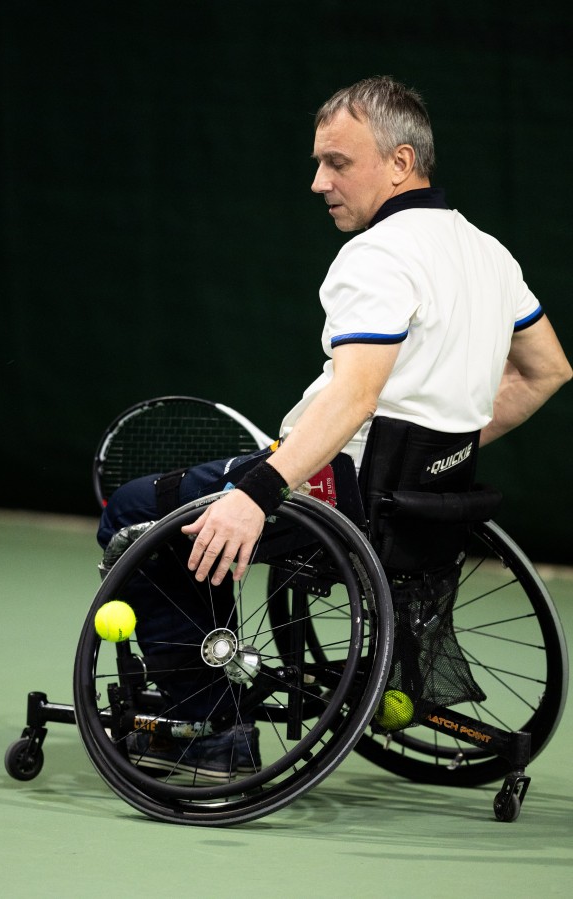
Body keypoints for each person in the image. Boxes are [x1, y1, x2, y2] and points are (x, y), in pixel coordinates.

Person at [99, 76, 572, 777]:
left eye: (338, 163)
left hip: (330, 492)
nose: (319, 182)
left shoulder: (377, 255)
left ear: (401, 162)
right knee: (202, 507)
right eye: (319, 162)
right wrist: (436, 459)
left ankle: (208, 728)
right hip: (417, 507)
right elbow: (547, 371)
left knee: (137, 512)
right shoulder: (488, 253)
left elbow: (354, 396)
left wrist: (255, 494)